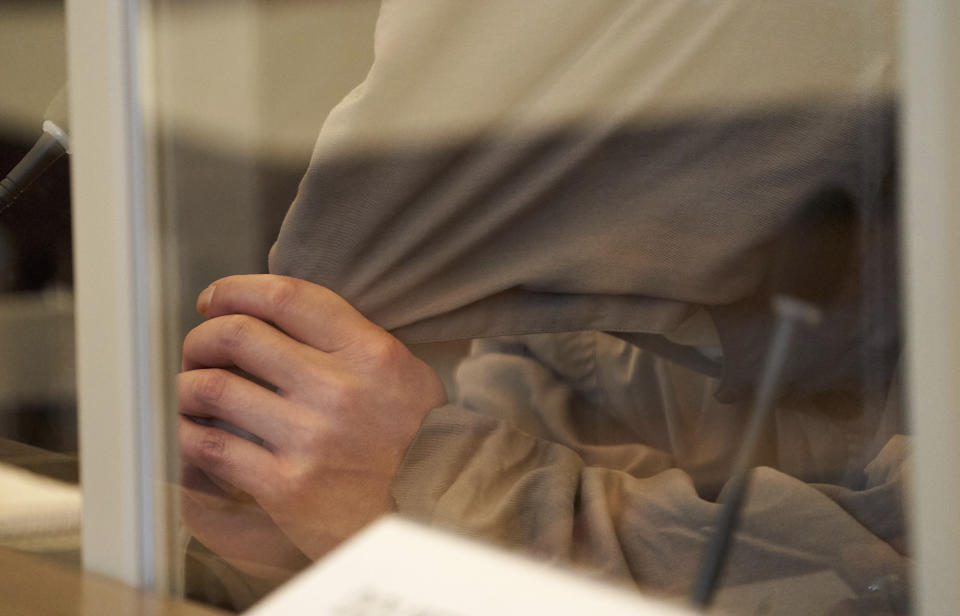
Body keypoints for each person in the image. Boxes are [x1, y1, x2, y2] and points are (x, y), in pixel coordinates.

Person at [178, 2, 907, 613]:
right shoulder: (590, 271)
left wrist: (412, 488)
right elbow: (541, 426)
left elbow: (897, 576)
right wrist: (296, 547)